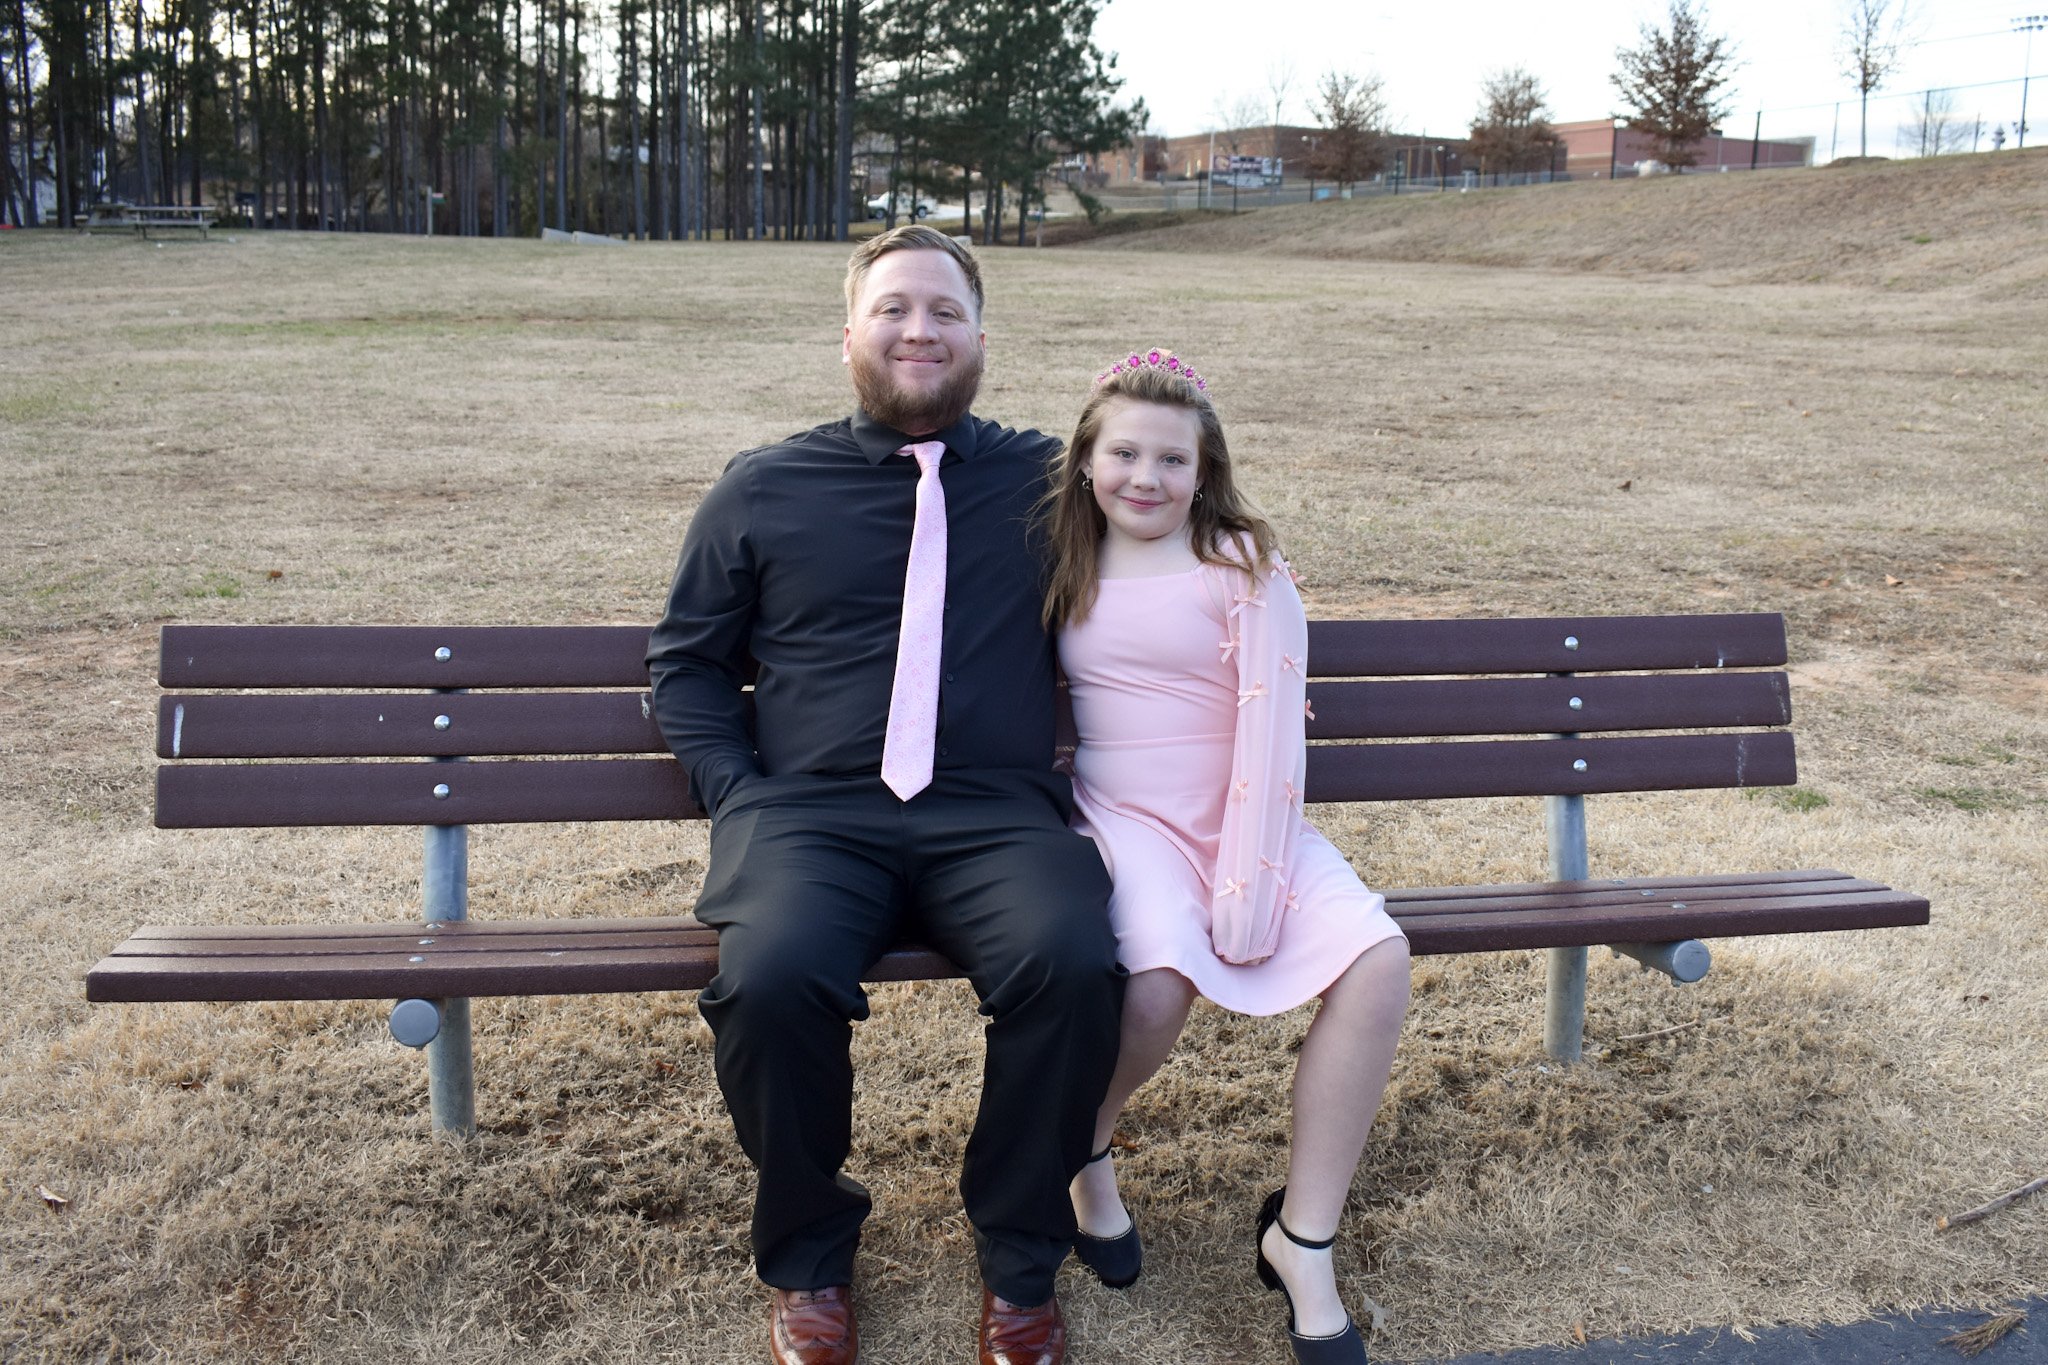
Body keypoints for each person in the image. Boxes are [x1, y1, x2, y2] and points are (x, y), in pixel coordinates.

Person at [646, 224, 1124, 1365]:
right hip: (810, 816)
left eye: (944, 311)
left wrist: (1261, 635)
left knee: (1072, 962)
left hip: (993, 816)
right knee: (765, 980)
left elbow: (1181, 551)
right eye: (894, 309)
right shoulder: (762, 487)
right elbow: (687, 665)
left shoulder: (1052, 484)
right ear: (848, 336)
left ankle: (1018, 1257)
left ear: (979, 337)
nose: (920, 329)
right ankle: (810, 1255)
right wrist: (740, 796)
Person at [1040, 349, 1412, 1364]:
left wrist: (1251, 872)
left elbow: (1272, 733)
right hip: (1125, 817)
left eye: (1171, 460)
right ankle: (1083, 1147)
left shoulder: (1241, 565)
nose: (1144, 479)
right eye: (1122, 453)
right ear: (1084, 459)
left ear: (1202, 472)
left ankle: (1302, 1237)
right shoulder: (1059, 556)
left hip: (1252, 811)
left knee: (1377, 965)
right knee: (1156, 982)